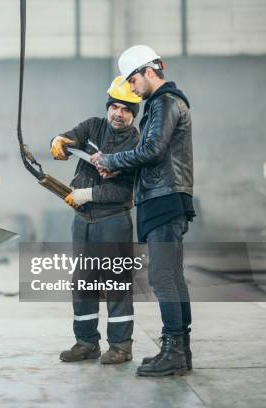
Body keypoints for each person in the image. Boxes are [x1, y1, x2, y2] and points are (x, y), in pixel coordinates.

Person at [91, 45, 195, 376]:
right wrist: (120, 169)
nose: (132, 89)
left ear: (150, 72)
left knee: (163, 276)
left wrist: (109, 160)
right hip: (164, 196)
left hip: (163, 198)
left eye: (133, 81)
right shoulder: (163, 103)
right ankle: (179, 349)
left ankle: (174, 350)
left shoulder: (164, 102)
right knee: (172, 277)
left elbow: (151, 150)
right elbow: (154, 155)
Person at [51, 76, 141, 365]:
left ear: (133, 113)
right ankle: (86, 342)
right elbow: (69, 138)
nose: (118, 113)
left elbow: (125, 189)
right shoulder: (92, 126)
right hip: (82, 221)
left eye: (126, 109)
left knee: (116, 283)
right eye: (115, 106)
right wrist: (58, 141)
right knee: (83, 282)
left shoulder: (136, 142)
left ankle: (121, 346)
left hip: (113, 221)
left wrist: (86, 193)